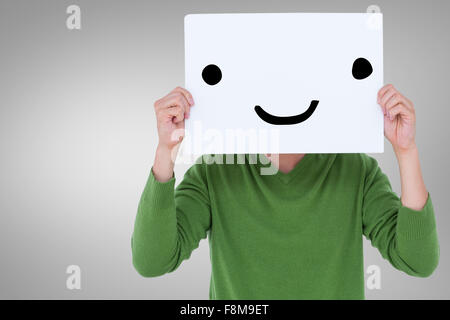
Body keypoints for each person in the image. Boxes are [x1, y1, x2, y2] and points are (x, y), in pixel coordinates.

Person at [131, 84, 439, 299]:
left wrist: (406, 149)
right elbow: (152, 261)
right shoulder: (215, 169)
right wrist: (166, 150)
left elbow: (418, 261)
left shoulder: (356, 169)